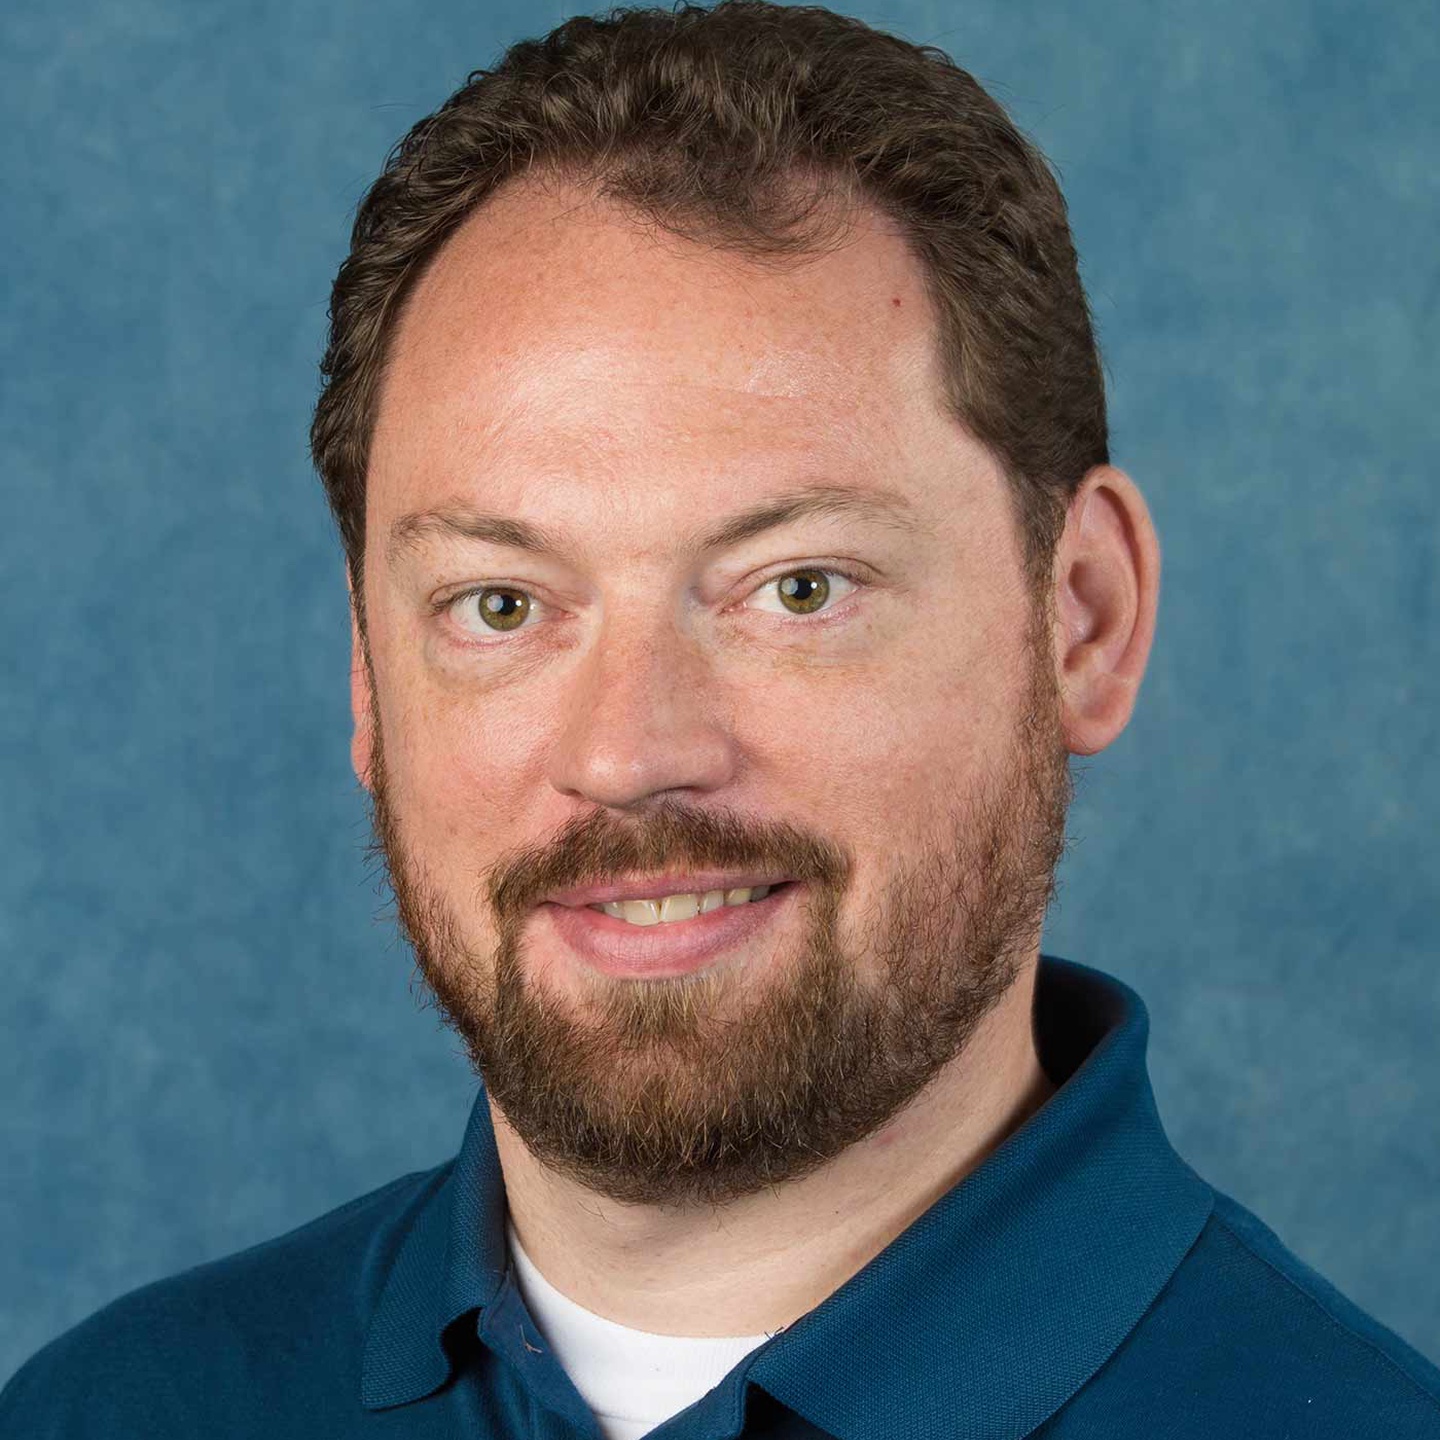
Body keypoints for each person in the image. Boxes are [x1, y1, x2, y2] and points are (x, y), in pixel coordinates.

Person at [4, 2, 1438, 1436]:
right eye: (500, 604)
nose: (628, 755)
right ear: (370, 680)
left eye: (798, 588)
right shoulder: (110, 1412)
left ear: (1083, 620)